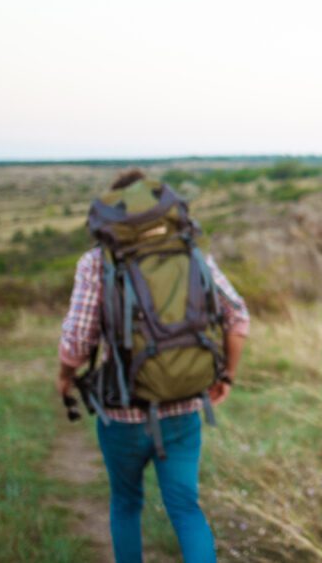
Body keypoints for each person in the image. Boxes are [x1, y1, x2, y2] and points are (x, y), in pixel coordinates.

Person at [56, 169, 250, 563]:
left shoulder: (96, 262)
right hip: (183, 407)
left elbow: (76, 342)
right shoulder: (194, 255)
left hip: (122, 411)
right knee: (186, 509)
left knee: (126, 504)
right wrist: (227, 375)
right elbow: (238, 319)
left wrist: (65, 377)